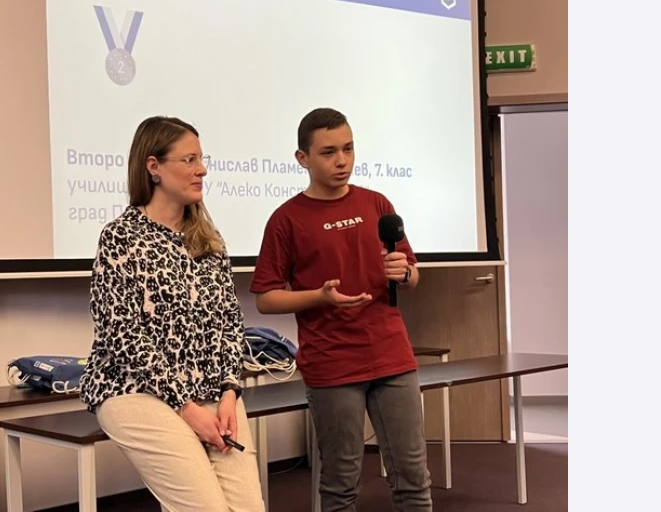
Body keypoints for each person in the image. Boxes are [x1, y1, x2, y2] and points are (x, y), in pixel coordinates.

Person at [79, 115, 266, 512]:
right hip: (134, 389)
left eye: (202, 159)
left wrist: (230, 393)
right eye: (189, 160)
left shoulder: (209, 241)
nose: (202, 170)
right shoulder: (120, 237)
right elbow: (121, 333)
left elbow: (230, 325)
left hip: (211, 391)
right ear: (154, 167)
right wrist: (185, 406)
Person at [250, 108, 432, 511]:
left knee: (413, 479)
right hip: (332, 364)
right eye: (329, 152)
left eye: (348, 149)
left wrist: (404, 273)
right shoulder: (286, 219)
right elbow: (265, 297)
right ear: (303, 158)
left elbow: (412, 274)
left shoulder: (376, 203)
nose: (342, 161)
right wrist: (319, 296)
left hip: (391, 355)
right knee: (341, 483)